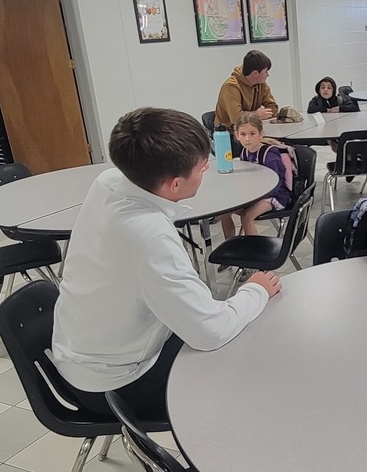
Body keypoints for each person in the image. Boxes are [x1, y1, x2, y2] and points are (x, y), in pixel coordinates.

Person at [51, 107, 281, 416]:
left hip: (81, 353)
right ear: (174, 184)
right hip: (116, 384)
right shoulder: (149, 237)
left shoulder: (108, 182)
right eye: (202, 167)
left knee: (229, 327)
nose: (207, 170)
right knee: (247, 357)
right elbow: (211, 332)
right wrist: (255, 290)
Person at [234, 113, 293, 236]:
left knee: (247, 216)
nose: (247, 139)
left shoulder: (270, 155)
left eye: (252, 134)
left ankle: (254, 252)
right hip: (256, 193)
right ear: (237, 135)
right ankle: (230, 244)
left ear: (261, 134)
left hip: (275, 195)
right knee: (224, 212)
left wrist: (255, 196)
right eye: (243, 134)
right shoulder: (244, 152)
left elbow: (277, 183)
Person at [215, 50, 278, 125]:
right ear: (255, 73)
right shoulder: (231, 86)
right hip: (229, 132)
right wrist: (256, 115)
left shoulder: (261, 84)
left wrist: (264, 114)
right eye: (266, 72)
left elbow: (273, 108)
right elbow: (236, 119)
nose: (268, 75)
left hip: (253, 128)